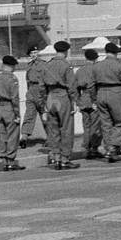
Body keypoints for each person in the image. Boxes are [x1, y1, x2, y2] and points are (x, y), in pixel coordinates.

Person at [93, 41, 121, 162]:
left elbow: (91, 85)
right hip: (116, 92)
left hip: (100, 92)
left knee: (106, 124)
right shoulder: (119, 66)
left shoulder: (97, 66)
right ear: (116, 53)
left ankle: (108, 148)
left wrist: (94, 98)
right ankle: (113, 146)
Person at [42, 40, 79, 169]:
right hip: (62, 96)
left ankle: (55, 157)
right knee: (66, 129)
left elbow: (41, 86)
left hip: (51, 97)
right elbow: (72, 86)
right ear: (66, 51)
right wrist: (74, 101)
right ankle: (65, 158)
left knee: (53, 130)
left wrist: (44, 102)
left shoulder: (47, 65)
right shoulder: (66, 65)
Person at [0, 55, 24, 171]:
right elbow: (15, 98)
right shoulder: (12, 79)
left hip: (0, 108)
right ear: (11, 66)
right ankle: (11, 161)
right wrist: (17, 115)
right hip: (9, 108)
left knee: (2, 135)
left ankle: (4, 160)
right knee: (13, 136)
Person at [77, 48, 103, 159]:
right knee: (95, 126)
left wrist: (78, 101)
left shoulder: (79, 70)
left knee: (86, 126)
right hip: (93, 98)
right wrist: (95, 101)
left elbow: (75, 87)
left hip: (83, 99)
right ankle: (93, 148)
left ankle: (86, 148)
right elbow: (94, 87)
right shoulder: (96, 69)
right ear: (95, 58)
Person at [19, 45, 46, 148]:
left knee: (45, 115)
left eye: (35, 52)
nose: (34, 55)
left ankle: (51, 139)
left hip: (41, 91)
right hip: (31, 92)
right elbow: (27, 80)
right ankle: (24, 137)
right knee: (29, 115)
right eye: (32, 53)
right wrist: (28, 92)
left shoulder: (43, 64)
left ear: (38, 53)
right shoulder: (29, 65)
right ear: (29, 55)